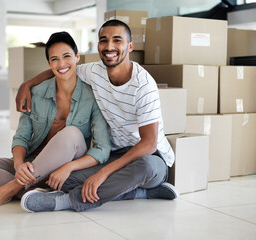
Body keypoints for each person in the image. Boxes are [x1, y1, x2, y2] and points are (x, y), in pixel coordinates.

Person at [16, 19, 178, 213]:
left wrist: (102, 173)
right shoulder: (94, 71)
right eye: (104, 40)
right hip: (116, 154)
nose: (109, 46)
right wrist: (27, 85)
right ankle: (138, 192)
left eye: (117, 40)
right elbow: (62, 68)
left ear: (130, 46)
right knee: (61, 178)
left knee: (145, 167)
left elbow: (149, 144)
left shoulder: (144, 85)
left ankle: (66, 201)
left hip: (151, 158)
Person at [0, 32, 111, 207]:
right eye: (54, 59)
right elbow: (21, 137)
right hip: (33, 162)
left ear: (77, 57)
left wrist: (69, 167)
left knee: (71, 133)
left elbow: (102, 148)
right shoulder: (37, 93)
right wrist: (18, 165)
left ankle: (11, 188)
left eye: (67, 56)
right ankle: (36, 188)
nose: (61, 64)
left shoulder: (92, 96)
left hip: (66, 165)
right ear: (49, 64)